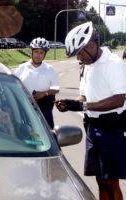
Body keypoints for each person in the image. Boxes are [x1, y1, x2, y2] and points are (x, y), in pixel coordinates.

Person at [55, 21, 126, 200]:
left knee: (111, 182)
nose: (79, 58)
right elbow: (85, 97)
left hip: (111, 128)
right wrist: (71, 103)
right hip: (93, 129)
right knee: (100, 180)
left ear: (92, 45)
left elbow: (119, 99)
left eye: (80, 53)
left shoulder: (113, 64)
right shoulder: (88, 66)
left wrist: (84, 106)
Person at [14, 37, 59, 129]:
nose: (38, 55)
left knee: (48, 133)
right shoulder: (22, 68)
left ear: (44, 55)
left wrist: (44, 93)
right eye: (36, 52)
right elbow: (13, 86)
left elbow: (56, 88)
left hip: (44, 109)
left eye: (41, 53)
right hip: (24, 108)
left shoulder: (49, 69)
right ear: (32, 52)